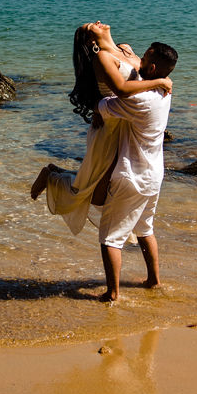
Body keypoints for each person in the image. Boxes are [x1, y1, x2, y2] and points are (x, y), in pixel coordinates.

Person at [30, 22, 171, 236]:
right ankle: (51, 175)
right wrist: (160, 81)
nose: (96, 22)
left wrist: (163, 80)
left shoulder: (127, 48)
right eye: (90, 26)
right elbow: (122, 89)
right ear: (91, 41)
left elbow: (150, 71)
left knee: (103, 192)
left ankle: (58, 173)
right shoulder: (102, 57)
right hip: (109, 126)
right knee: (97, 196)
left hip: (129, 124)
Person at [92, 41, 177, 302]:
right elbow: (139, 74)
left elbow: (104, 103)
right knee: (145, 229)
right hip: (154, 176)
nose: (137, 56)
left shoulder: (139, 100)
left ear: (151, 67)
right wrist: (125, 52)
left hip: (132, 177)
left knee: (110, 239)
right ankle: (154, 280)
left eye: (144, 55)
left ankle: (113, 293)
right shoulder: (163, 91)